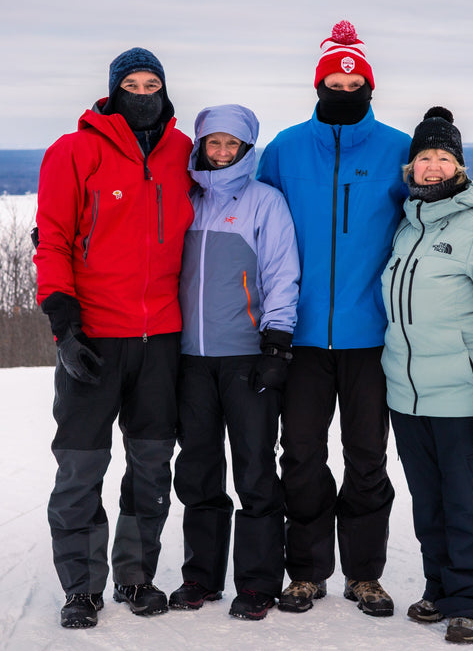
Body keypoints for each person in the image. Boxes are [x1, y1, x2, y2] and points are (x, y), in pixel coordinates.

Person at [33, 47, 194, 629]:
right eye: (133, 82)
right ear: (112, 89)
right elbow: (51, 238)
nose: (144, 91)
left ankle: (135, 576)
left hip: (162, 341)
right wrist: (63, 324)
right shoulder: (74, 151)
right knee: (81, 466)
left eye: (153, 83)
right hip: (94, 338)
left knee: (151, 465)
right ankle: (81, 587)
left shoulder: (184, 153)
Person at [257, 20, 410, 616]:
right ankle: (308, 572)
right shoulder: (286, 149)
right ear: (318, 83)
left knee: (368, 455)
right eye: (334, 79)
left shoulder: (399, 149)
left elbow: (430, 219)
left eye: (354, 80)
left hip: (372, 335)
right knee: (300, 453)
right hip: (299, 335)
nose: (344, 88)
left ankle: (365, 575)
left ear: (369, 85)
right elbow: (253, 224)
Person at [382, 107, 473, 644]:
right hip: (407, 395)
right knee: (429, 503)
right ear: (411, 168)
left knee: (468, 503)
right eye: (425, 157)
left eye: (445, 158)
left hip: (463, 396)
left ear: (461, 168)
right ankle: (440, 587)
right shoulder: (407, 228)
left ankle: (469, 601)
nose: (434, 166)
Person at [168, 104, 300, 621]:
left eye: (233, 144)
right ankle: (201, 576)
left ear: (247, 149)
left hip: (247, 357)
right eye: (213, 143)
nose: (221, 152)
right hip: (191, 360)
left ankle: (258, 582)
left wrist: (275, 344)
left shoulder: (265, 202)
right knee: (198, 471)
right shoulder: (186, 200)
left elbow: (283, 273)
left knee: (254, 470)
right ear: (200, 146)